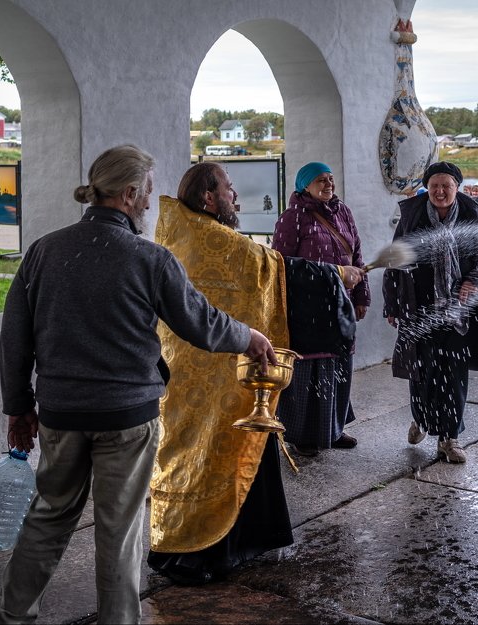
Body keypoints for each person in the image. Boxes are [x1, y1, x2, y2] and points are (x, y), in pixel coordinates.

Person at [0, 145, 277, 624]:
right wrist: (249, 336)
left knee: (47, 518)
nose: (148, 202)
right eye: (144, 192)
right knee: (119, 531)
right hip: (126, 419)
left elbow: (15, 339)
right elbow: (200, 323)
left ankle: (9, 616)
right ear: (126, 194)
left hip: (60, 415)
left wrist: (19, 408)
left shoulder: (44, 250)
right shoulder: (148, 258)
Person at [147, 162, 362, 585]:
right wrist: (338, 275)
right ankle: (203, 553)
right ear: (209, 197)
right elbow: (274, 269)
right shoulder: (213, 239)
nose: (236, 196)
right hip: (214, 372)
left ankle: (230, 542)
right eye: (229, 188)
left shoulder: (181, 232)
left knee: (213, 450)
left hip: (191, 371)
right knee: (215, 452)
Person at [382, 161, 478, 464]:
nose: (440, 191)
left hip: (459, 313)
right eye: (434, 185)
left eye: (446, 186)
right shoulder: (412, 217)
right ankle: (421, 419)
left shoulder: (474, 216)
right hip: (419, 308)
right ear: (427, 187)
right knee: (420, 370)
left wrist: (475, 281)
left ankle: (450, 438)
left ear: (457, 188)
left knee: (454, 373)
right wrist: (392, 303)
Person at [271, 162, 370, 456]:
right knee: (309, 370)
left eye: (330, 179)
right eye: (320, 180)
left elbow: (358, 254)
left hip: (342, 304)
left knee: (338, 366)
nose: (328, 184)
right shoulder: (292, 218)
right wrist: (334, 273)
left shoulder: (344, 212)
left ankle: (334, 429)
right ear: (304, 186)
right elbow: (282, 266)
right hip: (307, 307)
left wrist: (361, 296)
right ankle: (302, 436)